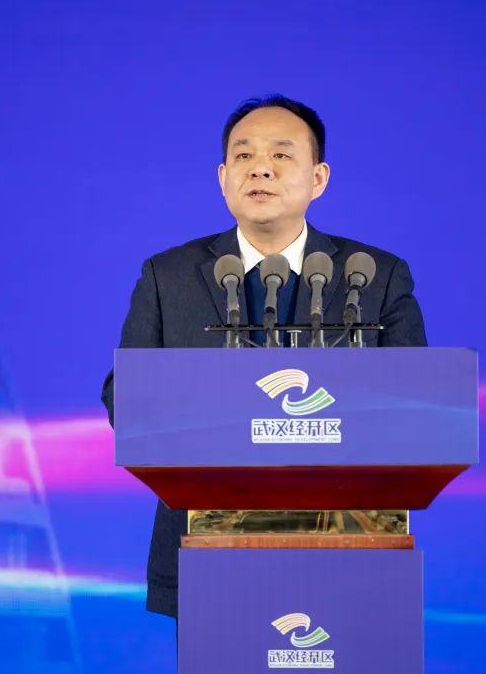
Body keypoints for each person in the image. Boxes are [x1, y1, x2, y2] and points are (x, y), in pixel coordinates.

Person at [100, 94, 427, 620]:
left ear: (318, 178)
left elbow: (419, 401)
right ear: (223, 177)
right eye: (244, 155)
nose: (261, 169)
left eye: (280, 155)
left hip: (346, 544)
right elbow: (126, 395)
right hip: (207, 545)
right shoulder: (168, 276)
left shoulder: (375, 275)